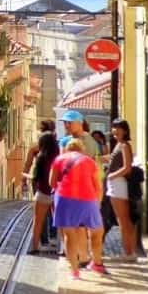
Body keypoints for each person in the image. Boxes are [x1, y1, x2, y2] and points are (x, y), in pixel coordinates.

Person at [50, 137, 105, 280]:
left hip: (64, 199)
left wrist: (63, 193)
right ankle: (97, 262)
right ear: (82, 149)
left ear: (68, 148)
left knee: (69, 235)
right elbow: (97, 185)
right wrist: (97, 203)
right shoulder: (89, 161)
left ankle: (74, 271)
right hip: (88, 199)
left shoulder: (59, 160)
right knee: (96, 231)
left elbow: (52, 182)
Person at [59, 110, 105, 271]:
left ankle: (87, 257)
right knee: (77, 226)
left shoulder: (89, 142)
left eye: (69, 122)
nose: (66, 125)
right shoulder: (67, 141)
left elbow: (86, 165)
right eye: (65, 122)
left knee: (85, 226)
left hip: (87, 189)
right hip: (73, 189)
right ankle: (82, 256)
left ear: (79, 123)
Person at [105, 118, 138, 259]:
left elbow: (127, 167)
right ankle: (129, 251)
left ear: (125, 130)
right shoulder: (118, 145)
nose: (115, 130)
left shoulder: (124, 146)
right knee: (123, 219)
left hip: (118, 185)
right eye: (113, 127)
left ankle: (128, 252)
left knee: (123, 220)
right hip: (115, 184)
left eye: (118, 128)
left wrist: (112, 175)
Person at [28, 128, 60, 254]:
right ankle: (62, 249)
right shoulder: (59, 158)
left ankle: (35, 247)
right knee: (60, 223)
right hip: (56, 193)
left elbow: (36, 177)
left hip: (42, 193)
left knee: (37, 222)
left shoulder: (41, 158)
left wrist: (27, 177)